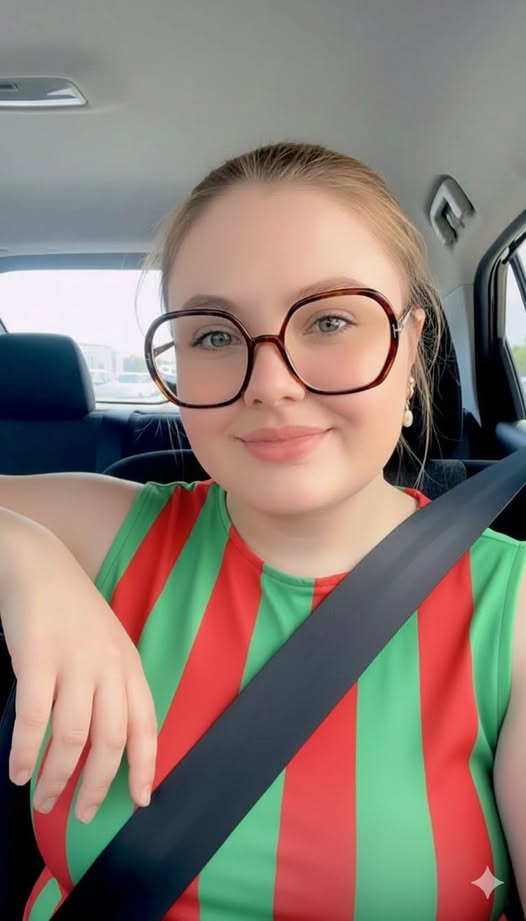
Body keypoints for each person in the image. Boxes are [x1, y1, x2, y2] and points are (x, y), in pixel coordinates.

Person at [0, 142, 524, 920]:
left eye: (331, 319)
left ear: (411, 346)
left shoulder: (512, 609)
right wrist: (20, 549)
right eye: (214, 334)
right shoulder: (109, 531)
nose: (272, 384)